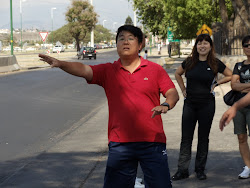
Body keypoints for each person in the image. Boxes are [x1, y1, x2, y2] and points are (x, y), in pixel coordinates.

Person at [39, 25, 179, 188]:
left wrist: (166, 104)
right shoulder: (108, 70)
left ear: (140, 45)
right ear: (117, 44)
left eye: (131, 38)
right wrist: (61, 63)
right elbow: (84, 69)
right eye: (121, 38)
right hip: (120, 143)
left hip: (152, 141)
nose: (125, 42)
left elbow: (172, 93)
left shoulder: (154, 69)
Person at [172, 33, 232, 181]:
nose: (202, 46)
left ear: (210, 46)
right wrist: (183, 90)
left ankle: (200, 169)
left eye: (206, 43)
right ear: (196, 46)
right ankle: (182, 170)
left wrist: (217, 83)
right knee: (186, 138)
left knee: (203, 138)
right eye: (200, 43)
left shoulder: (215, 63)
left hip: (207, 105)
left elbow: (230, 75)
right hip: (190, 104)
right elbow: (178, 73)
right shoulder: (190, 61)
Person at [219, 35, 250, 179]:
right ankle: (248, 166)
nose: (248, 47)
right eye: (246, 45)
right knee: (241, 137)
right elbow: (234, 85)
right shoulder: (239, 66)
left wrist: (241, 86)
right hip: (239, 108)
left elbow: (238, 84)